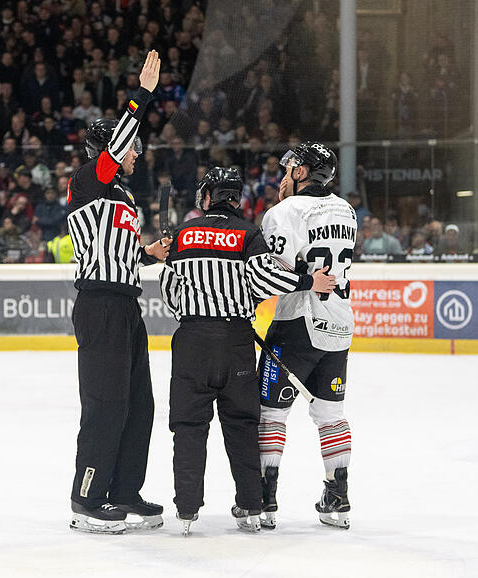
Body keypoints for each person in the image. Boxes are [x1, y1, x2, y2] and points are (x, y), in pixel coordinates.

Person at [160, 167, 335, 535]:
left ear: (206, 197)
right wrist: (308, 281)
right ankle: (251, 506)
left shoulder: (179, 234)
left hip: (192, 341)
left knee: (189, 427)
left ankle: (188, 509)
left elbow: (169, 287)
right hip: (236, 341)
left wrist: (190, 314)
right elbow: (265, 280)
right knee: (241, 425)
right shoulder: (248, 233)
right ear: (235, 198)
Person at [66, 50, 169, 534]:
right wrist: (142, 95)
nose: (136, 155)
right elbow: (116, 150)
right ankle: (87, 497)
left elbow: (120, 251)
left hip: (127, 304)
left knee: (139, 404)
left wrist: (148, 253)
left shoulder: (122, 196)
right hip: (101, 305)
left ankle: (124, 491)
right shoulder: (88, 182)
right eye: (131, 148)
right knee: (106, 403)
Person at [258, 142, 357, 529]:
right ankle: (338, 496)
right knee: (331, 413)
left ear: (302, 173)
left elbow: (277, 271)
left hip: (297, 322)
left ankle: (265, 500)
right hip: (340, 325)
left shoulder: (284, 211)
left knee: (271, 413)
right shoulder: (347, 210)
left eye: (290, 169)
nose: (283, 175)